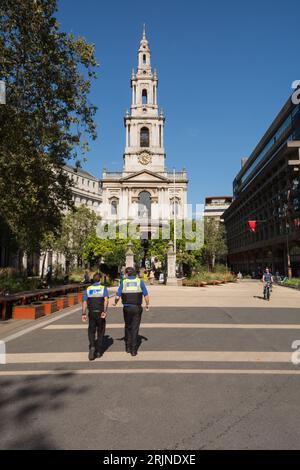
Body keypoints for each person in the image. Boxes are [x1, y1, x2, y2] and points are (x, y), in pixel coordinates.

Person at [113, 267, 149, 356]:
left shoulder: (123, 282)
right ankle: (134, 350)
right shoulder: (140, 282)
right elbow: (146, 294)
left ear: (127, 273)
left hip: (127, 308)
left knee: (128, 326)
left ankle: (127, 347)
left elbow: (117, 296)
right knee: (135, 328)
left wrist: (115, 302)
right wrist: (147, 304)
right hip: (137, 307)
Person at [82, 273, 109, 361]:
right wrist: (105, 311)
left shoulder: (88, 289)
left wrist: (83, 313)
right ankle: (98, 351)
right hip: (100, 312)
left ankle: (92, 346)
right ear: (100, 280)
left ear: (93, 280)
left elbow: (85, 302)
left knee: (91, 330)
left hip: (92, 313)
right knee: (101, 331)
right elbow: (106, 300)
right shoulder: (103, 288)